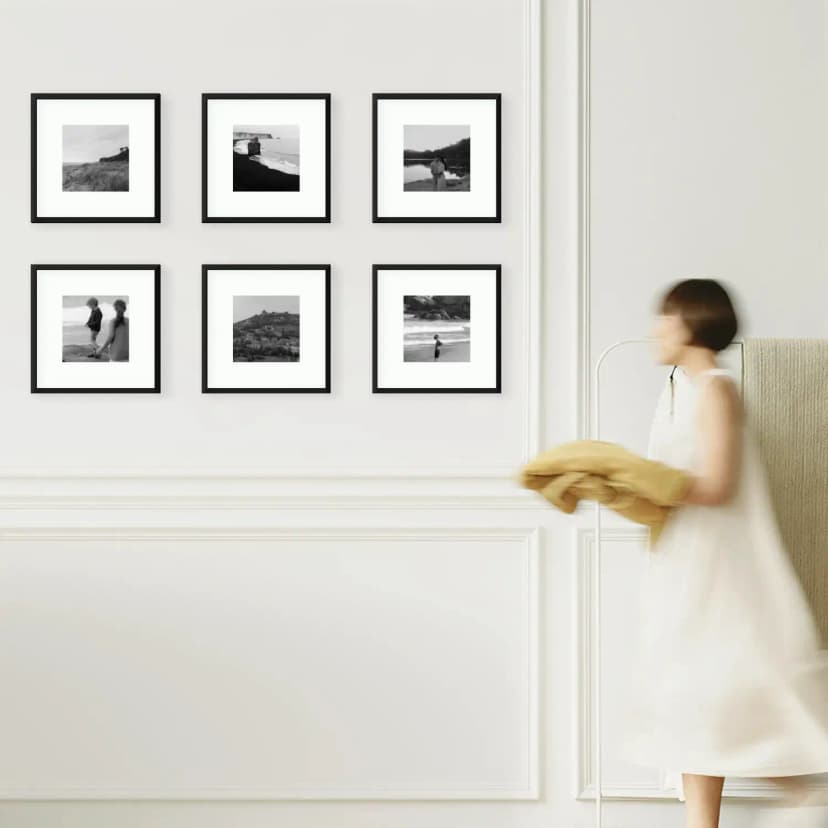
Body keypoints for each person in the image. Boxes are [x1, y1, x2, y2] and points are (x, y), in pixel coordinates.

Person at [621, 277, 828, 828]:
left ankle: (806, 797)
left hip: (719, 574)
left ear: (692, 323)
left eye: (666, 318)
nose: (656, 329)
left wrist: (640, 480)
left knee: (725, 696)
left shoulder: (716, 388)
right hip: (683, 567)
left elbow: (718, 484)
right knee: (694, 705)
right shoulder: (680, 391)